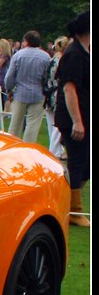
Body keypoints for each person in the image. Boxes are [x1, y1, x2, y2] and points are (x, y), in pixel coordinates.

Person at [53, 12, 90, 227]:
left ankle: (69, 201)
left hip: (84, 117)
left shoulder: (82, 51)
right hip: (75, 120)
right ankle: (74, 210)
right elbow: (69, 89)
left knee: (86, 164)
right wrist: (77, 121)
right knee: (77, 162)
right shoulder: (74, 53)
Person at [4, 30, 50, 143]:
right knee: (33, 125)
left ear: (26, 41)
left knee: (15, 123)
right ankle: (28, 147)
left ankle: (12, 145)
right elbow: (47, 76)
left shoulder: (18, 55)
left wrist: (9, 90)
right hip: (38, 93)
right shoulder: (46, 57)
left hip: (20, 93)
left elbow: (9, 77)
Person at [43, 36, 68, 159]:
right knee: (58, 126)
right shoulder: (62, 61)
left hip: (49, 94)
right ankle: (54, 152)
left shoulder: (51, 59)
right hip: (57, 95)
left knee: (51, 124)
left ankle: (56, 149)